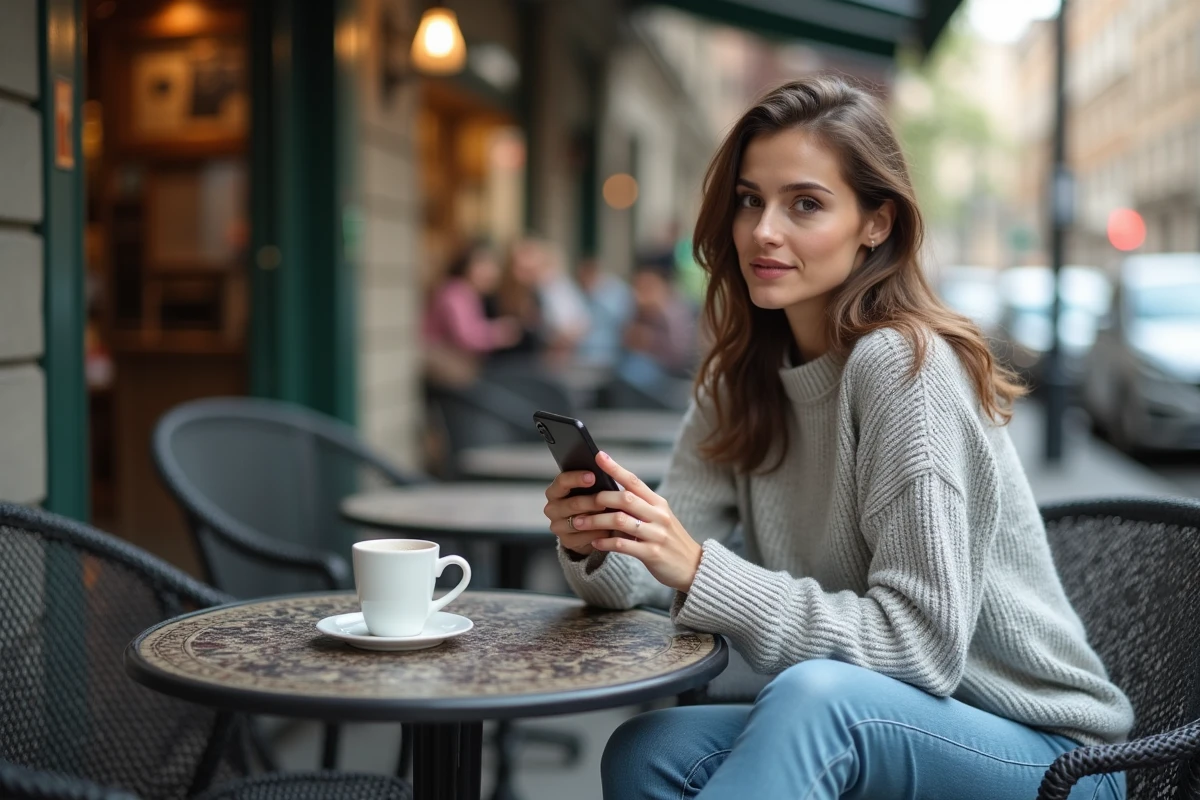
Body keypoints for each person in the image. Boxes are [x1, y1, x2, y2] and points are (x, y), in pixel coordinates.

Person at [541, 76, 1132, 799]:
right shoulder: (741, 381)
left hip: (1050, 756)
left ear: (875, 223)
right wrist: (595, 539)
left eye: (806, 204)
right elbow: (642, 578)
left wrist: (701, 572)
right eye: (751, 199)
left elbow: (918, 649)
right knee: (649, 749)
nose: (764, 230)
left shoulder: (903, 367)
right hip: (883, 723)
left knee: (817, 700)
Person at [421, 241, 521, 387]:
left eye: (493, 267)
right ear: (466, 266)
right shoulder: (455, 292)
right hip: (442, 366)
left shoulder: (469, 293)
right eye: (483, 266)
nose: (490, 272)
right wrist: (499, 333)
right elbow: (465, 337)